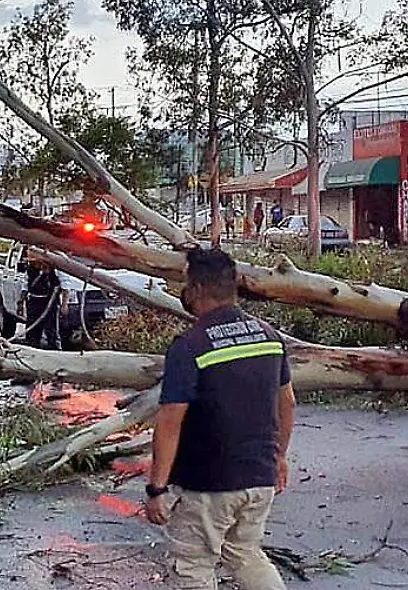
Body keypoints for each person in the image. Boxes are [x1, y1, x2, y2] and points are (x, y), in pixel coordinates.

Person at [145, 248, 296, 590]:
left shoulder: (190, 345)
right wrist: (280, 457)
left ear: (196, 289)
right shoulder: (269, 337)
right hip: (259, 477)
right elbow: (287, 403)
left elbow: (170, 420)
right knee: (245, 554)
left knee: (193, 566)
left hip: (209, 484)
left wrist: (157, 487)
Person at [24, 256, 64, 350]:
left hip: (49, 305)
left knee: (51, 330)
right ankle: (32, 347)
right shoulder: (31, 271)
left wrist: (64, 304)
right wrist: (20, 302)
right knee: (32, 330)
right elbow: (25, 286)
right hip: (34, 303)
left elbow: (64, 286)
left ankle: (54, 349)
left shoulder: (55, 274)